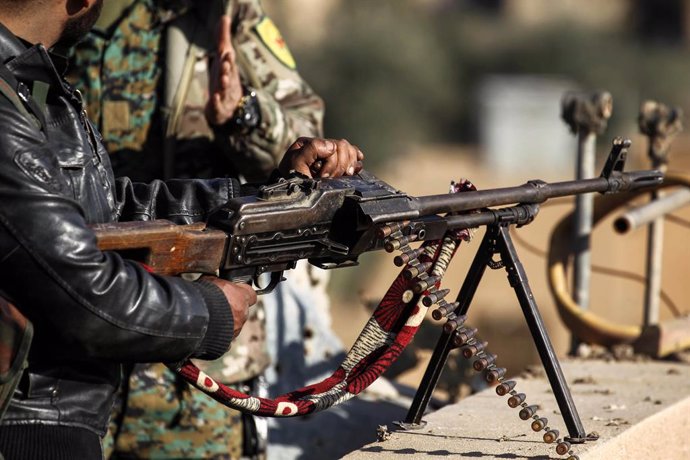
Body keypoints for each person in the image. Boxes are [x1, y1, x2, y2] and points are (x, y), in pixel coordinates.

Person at [0, 0, 363, 458]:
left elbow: (102, 200)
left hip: (177, 360)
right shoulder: (44, 43)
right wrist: (207, 312)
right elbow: (74, 274)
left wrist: (247, 125)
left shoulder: (218, 14)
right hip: (71, 358)